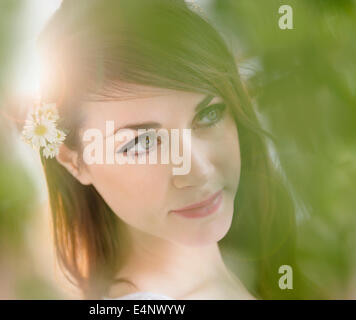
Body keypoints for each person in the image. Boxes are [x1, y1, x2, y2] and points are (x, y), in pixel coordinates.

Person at [29, 0, 305, 299]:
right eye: (143, 143)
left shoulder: (275, 258)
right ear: (74, 162)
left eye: (208, 115)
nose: (200, 171)